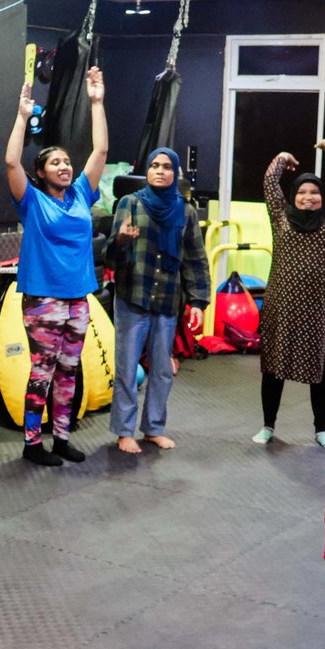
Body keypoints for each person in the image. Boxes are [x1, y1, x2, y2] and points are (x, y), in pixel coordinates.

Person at [4, 70, 107, 466]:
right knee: (41, 372)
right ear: (42, 172)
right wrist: (21, 115)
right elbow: (11, 159)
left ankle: (61, 437)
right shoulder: (31, 201)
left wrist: (97, 102)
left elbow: (99, 152)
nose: (65, 166)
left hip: (78, 298)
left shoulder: (82, 192)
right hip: (43, 300)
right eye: (56, 163)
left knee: (69, 370)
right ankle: (33, 443)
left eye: (67, 161)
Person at [106, 148, 211, 453]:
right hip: (133, 297)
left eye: (166, 166)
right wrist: (121, 240)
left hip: (166, 300)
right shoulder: (131, 204)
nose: (160, 171)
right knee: (126, 369)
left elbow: (195, 259)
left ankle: (153, 428)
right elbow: (109, 256)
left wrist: (199, 302)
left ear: (175, 172)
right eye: (154, 166)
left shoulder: (186, 211)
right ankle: (124, 431)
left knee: (163, 370)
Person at [253, 136, 325, 449]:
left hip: (321, 309)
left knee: (321, 372)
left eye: (314, 192)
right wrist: (283, 157)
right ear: (293, 196)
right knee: (274, 368)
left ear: (323, 197)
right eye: (302, 192)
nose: (308, 197)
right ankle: (268, 426)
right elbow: (270, 181)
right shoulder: (280, 217)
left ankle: (321, 430)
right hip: (282, 306)